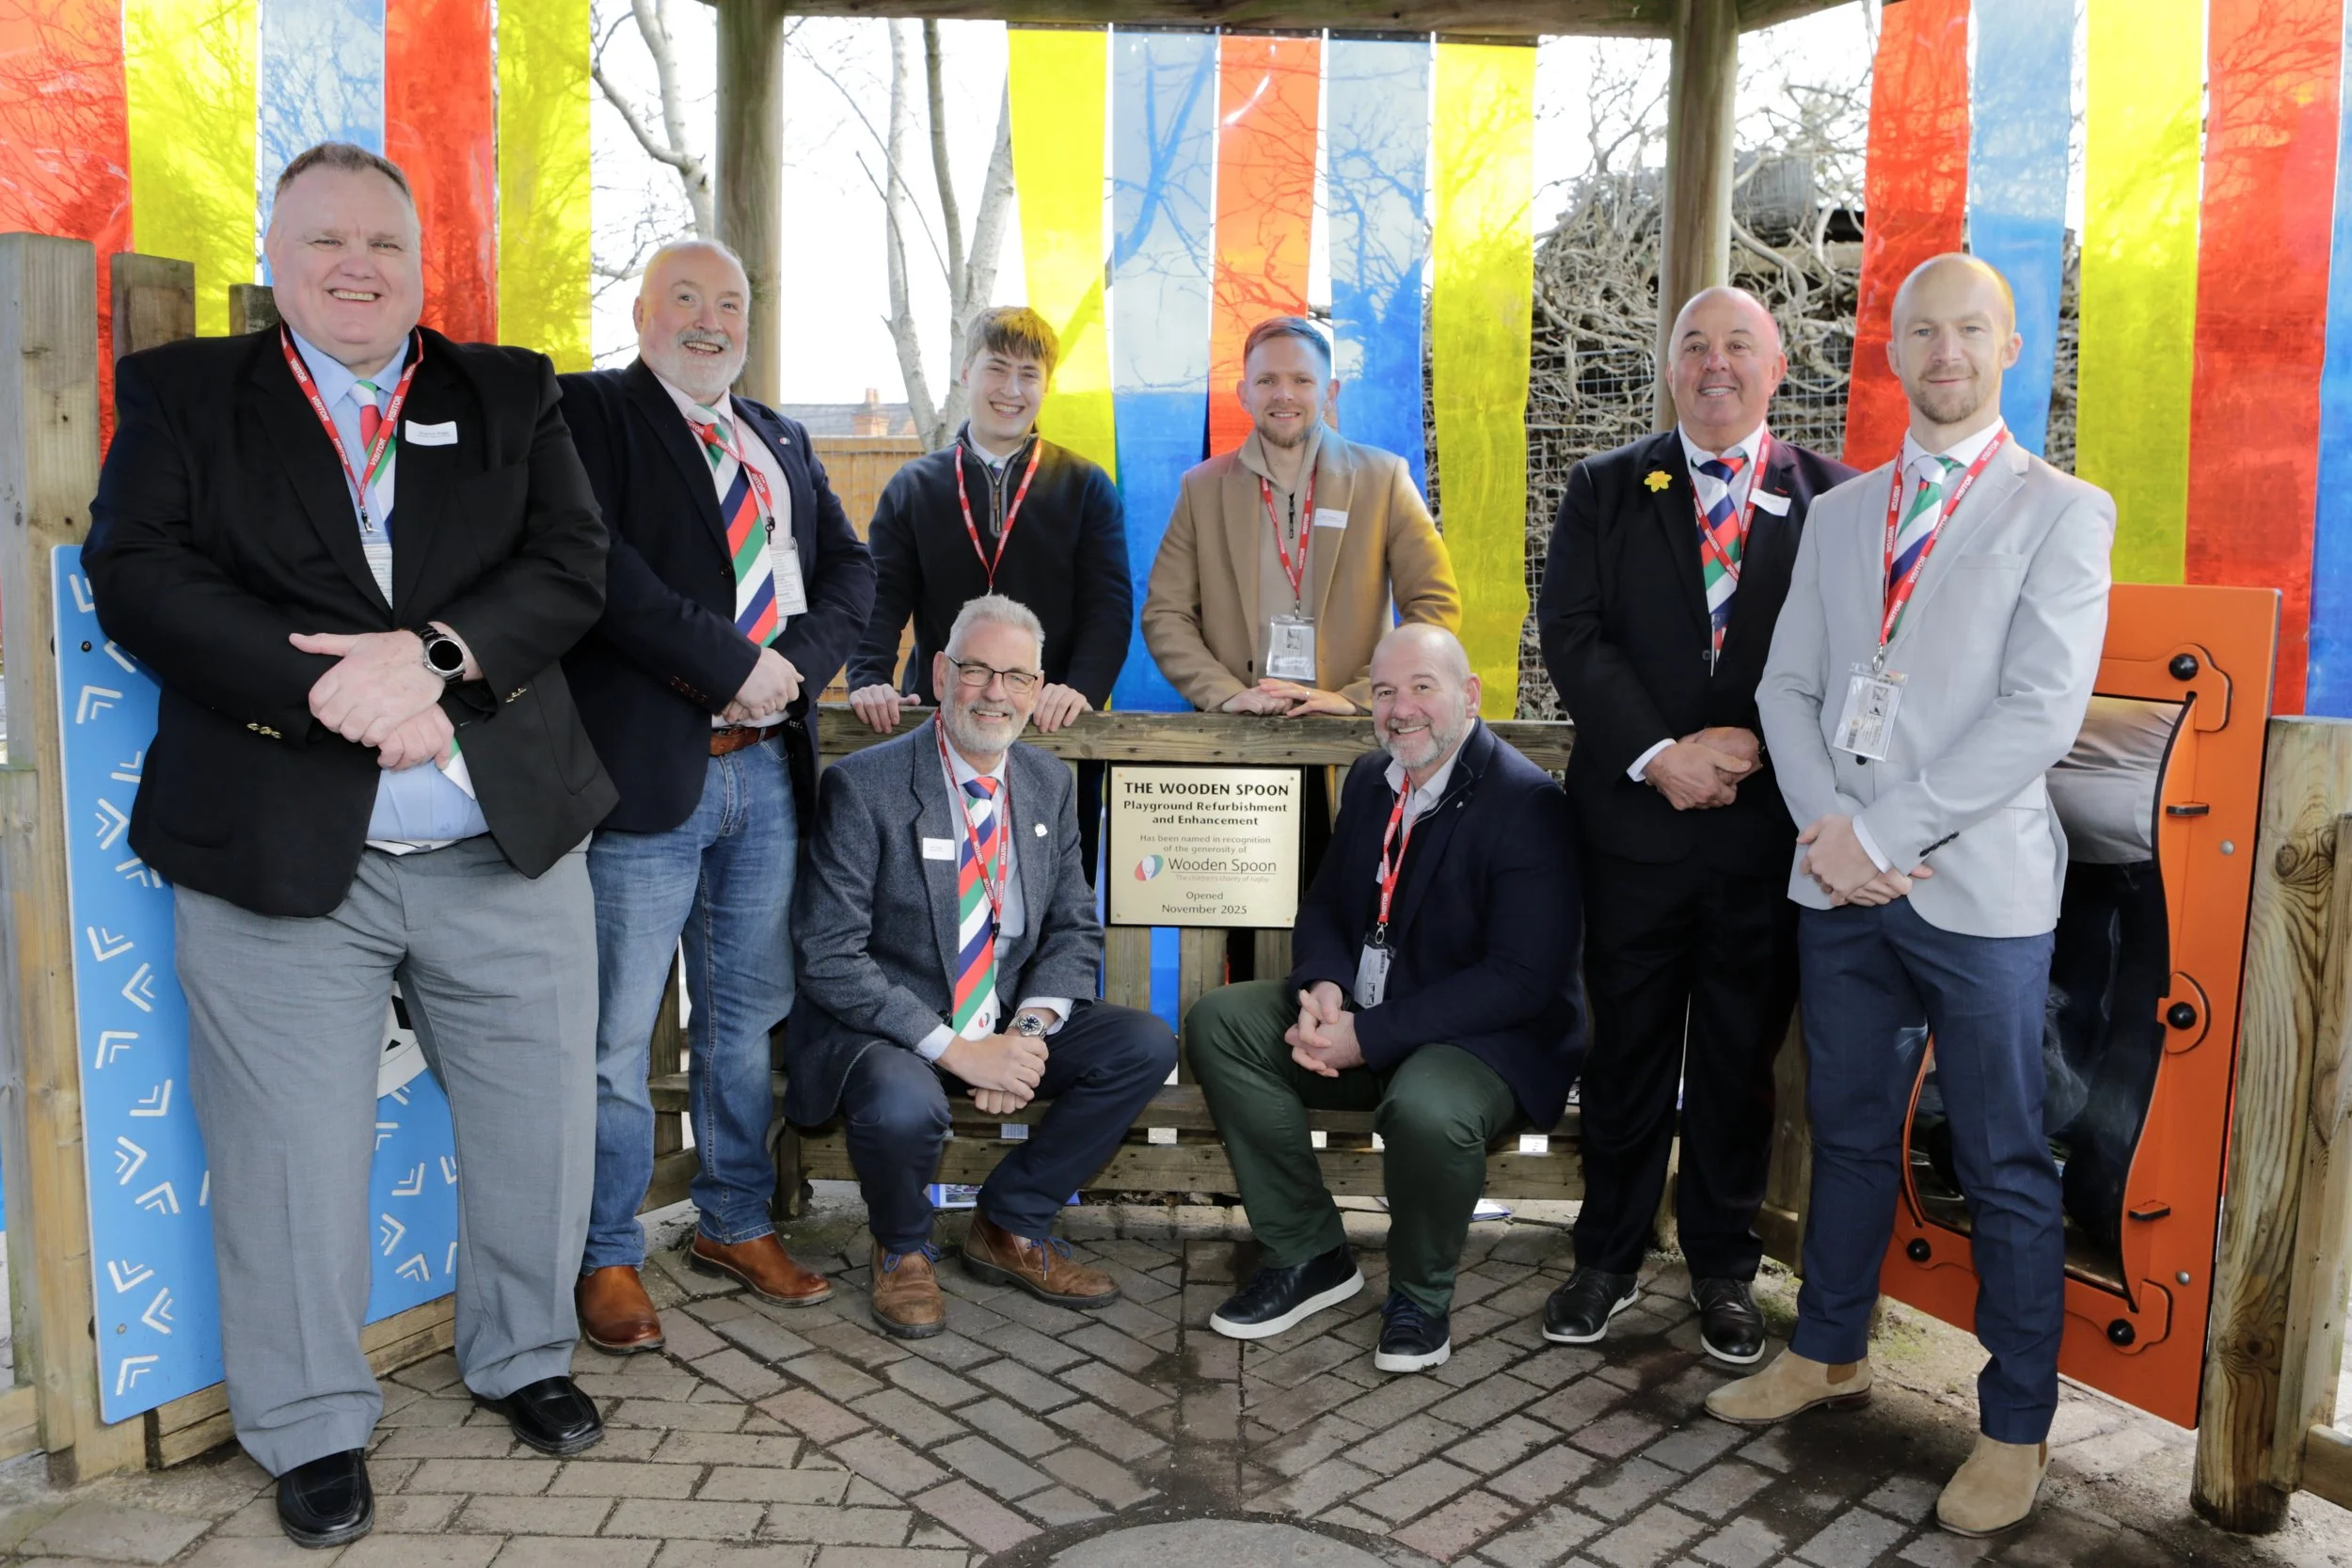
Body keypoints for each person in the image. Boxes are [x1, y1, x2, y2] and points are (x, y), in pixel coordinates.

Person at [83, 142, 615, 1548]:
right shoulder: (192, 395)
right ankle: (309, 1422)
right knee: (286, 1156)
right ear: (280, 259)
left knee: (539, 1131)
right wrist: (325, 681)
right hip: (277, 848)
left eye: (382, 240)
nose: (357, 264)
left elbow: (570, 566)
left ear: (420, 260)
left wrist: (434, 657)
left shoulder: (507, 390)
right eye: (325, 241)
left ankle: (522, 1353)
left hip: (504, 843)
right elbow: (135, 572)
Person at [1722, 253, 2113, 1540]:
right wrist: (1836, 832)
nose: (1944, 351)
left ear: (2008, 347)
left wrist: (1884, 826)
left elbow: (2040, 713)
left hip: (1977, 888)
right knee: (1842, 1128)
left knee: (2002, 1160)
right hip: (1839, 882)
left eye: (1969, 330)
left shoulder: (2062, 511)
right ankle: (1828, 1346)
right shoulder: (1839, 514)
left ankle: (2015, 1424)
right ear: (1891, 350)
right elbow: (1787, 689)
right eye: (1921, 331)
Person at [557, 240, 877, 1354]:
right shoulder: (590, 414)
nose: (708, 319)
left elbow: (852, 570)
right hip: (648, 773)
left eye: (729, 302)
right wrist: (728, 665)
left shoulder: (778, 437)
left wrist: (791, 665)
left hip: (766, 774)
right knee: (611, 1040)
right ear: (641, 310)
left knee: (744, 1021)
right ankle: (603, 1250)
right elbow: (596, 570)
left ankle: (733, 1219)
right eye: (683, 298)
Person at [1534, 287, 1856, 1365]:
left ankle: (1722, 1265)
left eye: (1738, 347)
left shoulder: (1837, 502)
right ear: (1668, 368)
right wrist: (1661, 755)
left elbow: (1857, 654)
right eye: (1693, 346)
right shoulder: (1605, 486)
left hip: (1768, 837)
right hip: (1633, 830)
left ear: (1777, 370)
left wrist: (1764, 746)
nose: (1714, 364)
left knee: (1737, 1058)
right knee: (1624, 1050)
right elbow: (1572, 634)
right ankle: (1607, 1257)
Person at [1187, 625, 1585, 1374]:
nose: (1401, 709)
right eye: (1384, 692)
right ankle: (1309, 1251)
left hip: (1482, 1039)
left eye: (1422, 687)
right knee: (1222, 1023)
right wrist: (1325, 989)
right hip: (1369, 1016)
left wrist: (1365, 1039)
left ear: (1468, 696)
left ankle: (1419, 1296)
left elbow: (1521, 980)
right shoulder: (1373, 779)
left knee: (1429, 1106)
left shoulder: (1526, 803)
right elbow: (1331, 906)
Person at [790, 594, 1178, 1338]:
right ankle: (901, 1247)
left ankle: (1008, 1224)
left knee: (1144, 1045)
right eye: (977, 670)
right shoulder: (865, 785)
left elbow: (1071, 927)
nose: (995, 692)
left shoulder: (1045, 783)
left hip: (1000, 1017)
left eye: (1016, 676)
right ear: (940, 673)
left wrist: (1026, 1039)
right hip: (891, 1032)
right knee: (907, 1103)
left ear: (1038, 689)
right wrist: (965, 1052)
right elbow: (829, 954)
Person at [847, 307, 1128, 878]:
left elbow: (1110, 605)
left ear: (1046, 386)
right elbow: (880, 597)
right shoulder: (915, 486)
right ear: (965, 373)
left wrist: (1081, 688)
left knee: (1050, 903)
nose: (1011, 389)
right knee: (928, 897)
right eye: (996, 369)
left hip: (1053, 732)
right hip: (941, 728)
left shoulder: (1085, 485)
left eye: (1028, 373)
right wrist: (869, 677)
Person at [1141, 315, 1459, 718]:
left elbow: (1435, 604)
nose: (1284, 394)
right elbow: (1165, 614)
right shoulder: (1200, 488)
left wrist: (1362, 695)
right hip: (1242, 740)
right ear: (1243, 394)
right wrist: (1222, 693)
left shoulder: (1384, 479)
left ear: (1330, 392)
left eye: (1302, 381)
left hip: (1354, 740)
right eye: (1267, 380)